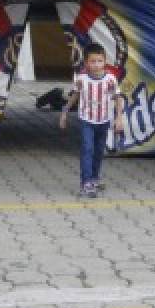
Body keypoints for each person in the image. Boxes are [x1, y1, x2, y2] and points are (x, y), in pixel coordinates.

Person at [59, 42, 125, 198]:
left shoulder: (110, 79)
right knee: (87, 149)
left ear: (105, 61)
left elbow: (117, 98)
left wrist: (119, 117)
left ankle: (94, 178)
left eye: (100, 61)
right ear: (86, 63)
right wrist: (64, 112)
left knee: (99, 151)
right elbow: (75, 95)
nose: (96, 65)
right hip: (86, 120)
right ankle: (86, 182)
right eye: (92, 61)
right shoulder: (81, 79)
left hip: (104, 120)